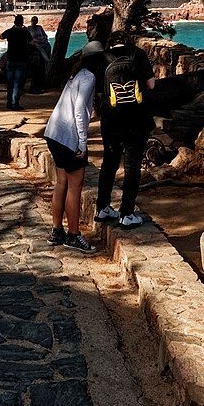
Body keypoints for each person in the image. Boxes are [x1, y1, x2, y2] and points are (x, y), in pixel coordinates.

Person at [94, 32, 157, 228]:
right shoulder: (138, 54)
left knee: (109, 164)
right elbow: (151, 84)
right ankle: (127, 213)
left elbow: (98, 92)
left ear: (110, 43)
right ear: (127, 41)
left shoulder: (102, 58)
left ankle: (102, 208)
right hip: (136, 121)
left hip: (111, 123)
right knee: (132, 168)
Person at [43, 50, 103, 253]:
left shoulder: (75, 75)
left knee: (62, 183)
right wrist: (82, 143)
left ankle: (57, 230)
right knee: (74, 187)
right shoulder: (89, 77)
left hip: (54, 133)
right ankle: (74, 235)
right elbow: (79, 109)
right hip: (69, 138)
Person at [0, 15, 36, 110]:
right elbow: (32, 43)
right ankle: (14, 103)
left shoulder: (10, 31)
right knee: (17, 83)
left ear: (14, 22)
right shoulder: (25, 32)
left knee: (10, 83)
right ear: (22, 22)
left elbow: (1, 36)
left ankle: (9, 103)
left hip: (11, 59)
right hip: (22, 60)